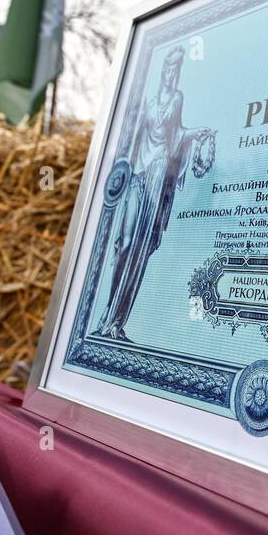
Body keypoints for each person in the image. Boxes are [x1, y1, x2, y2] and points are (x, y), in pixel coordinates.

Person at [97, 46, 214, 338]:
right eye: (169, 68)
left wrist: (194, 132)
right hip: (138, 177)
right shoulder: (149, 102)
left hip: (159, 173)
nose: (172, 74)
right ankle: (106, 314)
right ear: (163, 70)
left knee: (141, 250)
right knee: (124, 244)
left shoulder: (177, 99)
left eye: (177, 70)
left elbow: (176, 136)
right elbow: (132, 141)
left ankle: (117, 321)